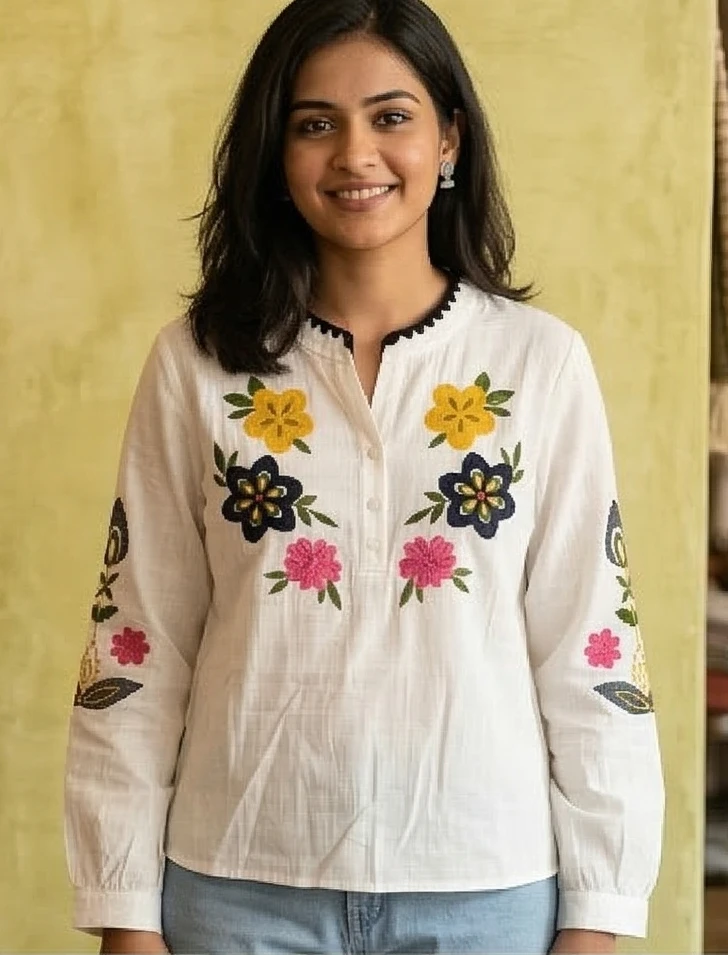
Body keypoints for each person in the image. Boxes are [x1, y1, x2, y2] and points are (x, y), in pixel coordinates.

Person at [64, 0, 665, 952]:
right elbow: (137, 641)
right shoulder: (197, 365)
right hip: (235, 888)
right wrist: (122, 906)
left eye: (391, 116)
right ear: (276, 153)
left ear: (449, 139)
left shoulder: (539, 364)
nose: (356, 154)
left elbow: (594, 646)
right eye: (316, 124)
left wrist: (602, 912)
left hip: (485, 891)